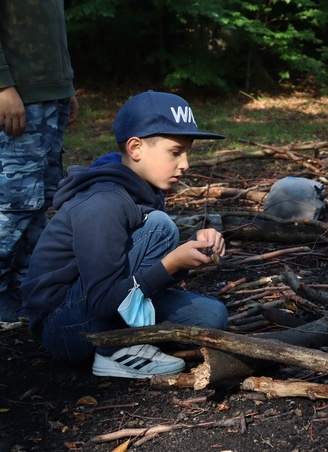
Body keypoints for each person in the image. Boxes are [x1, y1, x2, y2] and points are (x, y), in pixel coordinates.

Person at [19, 90, 228, 379]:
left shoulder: (143, 187)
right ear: (136, 148)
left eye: (187, 152)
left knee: (211, 316)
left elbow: (140, 264)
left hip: (101, 304)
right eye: (175, 152)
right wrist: (171, 263)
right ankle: (114, 353)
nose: (185, 164)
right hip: (64, 326)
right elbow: (103, 300)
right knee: (159, 226)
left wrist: (192, 248)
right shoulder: (103, 202)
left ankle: (136, 336)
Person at [0, 0, 79, 322]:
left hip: (50, 91)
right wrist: (2, 85)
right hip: (17, 93)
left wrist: (66, 84)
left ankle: (24, 289)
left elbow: (49, 15)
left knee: (41, 196)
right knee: (13, 203)